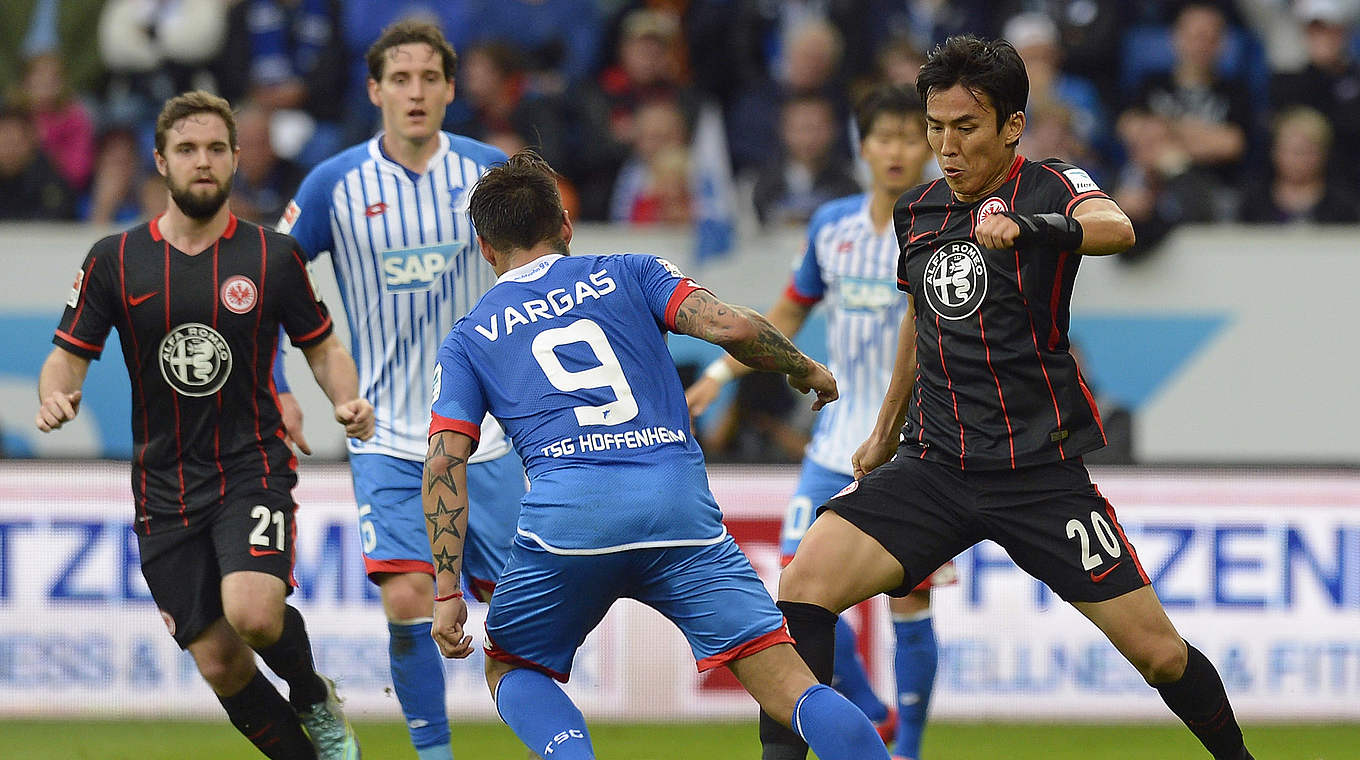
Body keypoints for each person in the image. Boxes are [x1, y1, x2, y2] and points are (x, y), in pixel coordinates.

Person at [763, 36, 1255, 760]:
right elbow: (917, 320)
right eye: (936, 127)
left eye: (965, 128)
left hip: (1040, 476)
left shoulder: (1053, 183)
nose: (946, 146)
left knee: (1160, 656)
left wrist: (1029, 229)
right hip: (933, 466)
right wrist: (883, 432)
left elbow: (1117, 228)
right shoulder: (919, 211)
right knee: (801, 588)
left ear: (1011, 126)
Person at [421, 150, 889, 760]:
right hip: (676, 511)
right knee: (793, 689)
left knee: (511, 668)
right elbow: (734, 329)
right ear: (565, 225)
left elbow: (443, 463)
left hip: (568, 523)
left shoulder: (469, 337)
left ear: (485, 248)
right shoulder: (631, 271)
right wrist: (805, 369)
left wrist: (445, 590)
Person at [34, 90, 368, 760]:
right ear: (160, 161)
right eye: (187, 149)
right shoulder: (114, 259)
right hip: (163, 486)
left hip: (251, 464)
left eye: (217, 148)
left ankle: (312, 696)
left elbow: (323, 346)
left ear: (237, 158)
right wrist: (56, 397)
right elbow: (65, 359)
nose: (203, 161)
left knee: (253, 612)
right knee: (220, 662)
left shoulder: (271, 257)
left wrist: (345, 398)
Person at [273, 20, 523, 760]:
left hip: (490, 435)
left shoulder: (491, 172)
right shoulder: (334, 183)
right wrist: (284, 383)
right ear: (375, 89)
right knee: (410, 598)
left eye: (429, 78)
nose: (415, 92)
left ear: (450, 89)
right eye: (400, 79)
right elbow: (269, 278)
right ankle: (432, 754)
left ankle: (550, 739)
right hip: (385, 434)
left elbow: (548, 273)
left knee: (515, 617)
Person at [688, 84, 948, 760]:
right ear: (862, 148)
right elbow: (792, 312)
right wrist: (718, 376)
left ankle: (909, 749)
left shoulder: (944, 223)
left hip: (911, 449)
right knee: (798, 587)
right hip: (834, 443)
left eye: (909, 137)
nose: (896, 150)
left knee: (908, 601)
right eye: (883, 137)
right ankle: (865, 706)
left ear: (927, 146)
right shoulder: (831, 226)